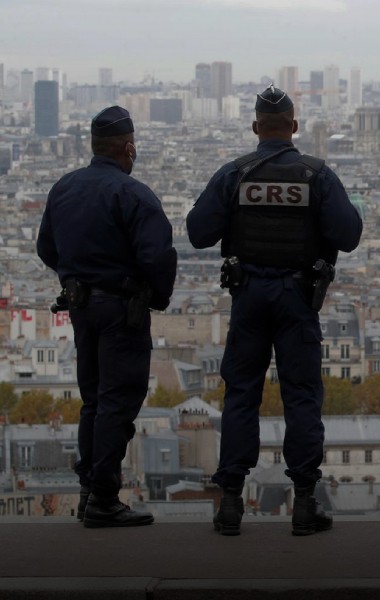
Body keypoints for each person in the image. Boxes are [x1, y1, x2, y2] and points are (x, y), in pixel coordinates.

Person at [186, 85, 362, 537]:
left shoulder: (235, 175)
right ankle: (304, 504)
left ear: (255, 128)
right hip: (297, 298)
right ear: (295, 128)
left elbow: (198, 232)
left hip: (248, 295)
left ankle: (229, 505)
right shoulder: (317, 175)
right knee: (301, 397)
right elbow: (348, 234)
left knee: (241, 395)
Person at [36, 106, 177, 528]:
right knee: (118, 401)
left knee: (93, 400)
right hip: (121, 310)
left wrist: (75, 275)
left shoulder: (64, 188)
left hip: (80, 307)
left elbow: (46, 248)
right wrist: (156, 296)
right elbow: (157, 256)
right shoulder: (134, 195)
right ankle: (103, 497)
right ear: (128, 147)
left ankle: (87, 489)